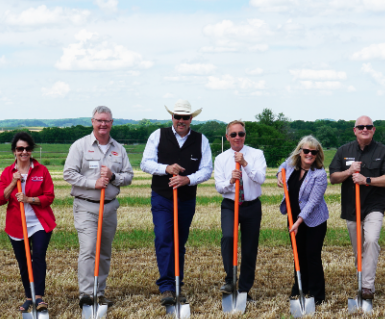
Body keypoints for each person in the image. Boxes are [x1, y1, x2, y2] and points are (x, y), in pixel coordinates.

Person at [140, 99, 213, 306]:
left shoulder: (201, 140)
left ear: (191, 119)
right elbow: (145, 163)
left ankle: (177, 282)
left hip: (186, 199)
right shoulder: (157, 135)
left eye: (185, 117)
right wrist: (166, 169)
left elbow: (207, 170)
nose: (181, 120)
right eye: (177, 116)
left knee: (179, 241)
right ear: (172, 117)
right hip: (162, 196)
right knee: (164, 237)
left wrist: (188, 179)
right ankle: (166, 286)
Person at [63, 106, 135, 308]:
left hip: (110, 207)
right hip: (86, 206)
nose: (103, 124)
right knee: (88, 249)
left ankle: (99, 292)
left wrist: (113, 177)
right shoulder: (80, 146)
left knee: (104, 252)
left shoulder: (118, 149)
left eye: (107, 121)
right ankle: (86, 294)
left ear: (112, 123)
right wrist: (93, 183)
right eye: (99, 120)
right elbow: (68, 174)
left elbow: (129, 177)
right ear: (92, 122)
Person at [328, 116, 385, 301]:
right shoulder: (344, 151)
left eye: (368, 126)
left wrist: (366, 180)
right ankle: (363, 280)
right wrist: (349, 172)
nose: (365, 129)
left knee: (372, 240)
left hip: (374, 206)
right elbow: (333, 178)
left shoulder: (384, 151)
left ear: (373, 130)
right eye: (361, 127)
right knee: (359, 250)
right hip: (352, 207)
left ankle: (367, 287)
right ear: (355, 130)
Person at [0, 132, 56, 313]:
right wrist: (13, 183)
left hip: (39, 222)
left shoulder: (41, 171)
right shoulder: (8, 172)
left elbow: (49, 196)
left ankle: (39, 297)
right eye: (20, 149)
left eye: (27, 149)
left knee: (38, 256)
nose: (24, 152)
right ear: (14, 151)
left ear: (31, 150)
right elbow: (0, 199)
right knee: (23, 261)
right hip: (17, 224)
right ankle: (28, 297)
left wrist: (30, 199)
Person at [213, 120, 266, 298]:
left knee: (249, 247)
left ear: (245, 135)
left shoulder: (256, 154)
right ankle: (230, 279)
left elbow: (260, 178)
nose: (237, 137)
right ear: (227, 137)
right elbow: (219, 187)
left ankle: (244, 289)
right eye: (233, 134)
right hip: (230, 205)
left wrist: (245, 164)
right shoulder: (221, 159)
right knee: (228, 238)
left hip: (251, 205)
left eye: (241, 134)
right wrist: (230, 181)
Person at [277, 135, 329, 304]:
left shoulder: (319, 174)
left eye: (313, 152)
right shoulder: (292, 165)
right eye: (306, 151)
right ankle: (300, 287)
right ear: (300, 151)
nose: (309, 154)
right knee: (298, 255)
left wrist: (298, 222)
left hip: (314, 221)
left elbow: (313, 202)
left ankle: (317, 294)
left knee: (312, 255)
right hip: (292, 217)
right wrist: (279, 174)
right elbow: (283, 165)